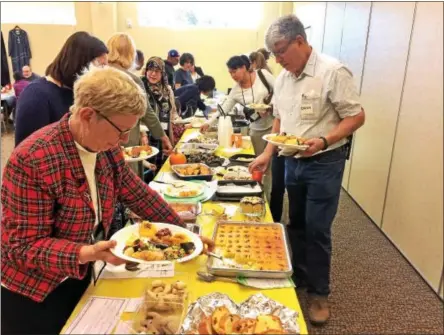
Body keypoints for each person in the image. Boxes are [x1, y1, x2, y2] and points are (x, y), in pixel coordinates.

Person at [1, 66, 214, 335]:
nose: (124, 140)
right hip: (34, 293)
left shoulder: (105, 147)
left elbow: (135, 192)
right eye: (121, 131)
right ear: (88, 115)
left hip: (80, 273)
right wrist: (85, 252)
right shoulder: (33, 160)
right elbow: (22, 247)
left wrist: (184, 234)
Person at [249, 15, 365, 325]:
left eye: (281, 51)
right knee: (295, 222)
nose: (277, 59)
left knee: (317, 228)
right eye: (273, 54)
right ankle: (299, 274)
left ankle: (319, 293)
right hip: (291, 161)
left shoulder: (332, 72)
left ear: (300, 41)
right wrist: (267, 153)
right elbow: (280, 121)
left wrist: (325, 139)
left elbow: (356, 116)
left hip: (324, 162)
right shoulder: (285, 78)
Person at [14, 31, 108, 146]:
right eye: (101, 66)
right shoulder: (36, 95)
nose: (104, 73)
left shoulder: (80, 93)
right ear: (80, 63)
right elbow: (26, 152)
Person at [106, 33, 173, 179]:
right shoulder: (132, 80)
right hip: (126, 141)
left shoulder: (96, 75)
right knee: (128, 182)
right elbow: (146, 112)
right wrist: (164, 137)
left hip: (101, 143)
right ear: (131, 54)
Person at [201, 55, 274, 157]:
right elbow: (223, 109)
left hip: (275, 125)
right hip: (256, 129)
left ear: (244, 67)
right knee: (259, 159)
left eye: (234, 71)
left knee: (275, 162)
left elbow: (280, 91)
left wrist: (271, 105)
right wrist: (208, 123)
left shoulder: (262, 75)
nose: (233, 75)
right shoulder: (235, 91)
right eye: (230, 73)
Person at [141, 57, 181, 169]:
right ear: (146, 71)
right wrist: (142, 133)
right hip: (146, 136)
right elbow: (137, 116)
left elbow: (173, 114)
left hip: (165, 135)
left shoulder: (167, 90)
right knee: (147, 167)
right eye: (150, 70)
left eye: (157, 71)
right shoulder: (140, 88)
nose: (153, 74)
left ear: (162, 73)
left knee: (162, 167)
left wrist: (183, 122)